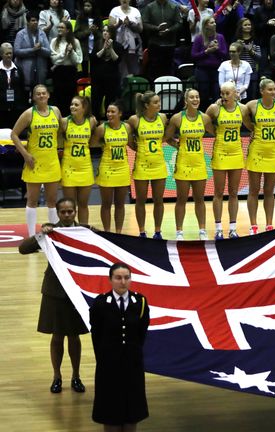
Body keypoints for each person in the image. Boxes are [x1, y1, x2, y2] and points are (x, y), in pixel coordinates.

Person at [19, 197, 88, 394]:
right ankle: (56, 376)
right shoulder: (50, 233)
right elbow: (23, 249)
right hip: (55, 291)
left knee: (74, 337)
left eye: (70, 211)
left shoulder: (84, 232)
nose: (67, 215)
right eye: (63, 212)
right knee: (57, 336)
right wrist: (40, 234)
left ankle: (76, 376)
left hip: (76, 291)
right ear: (57, 213)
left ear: (75, 212)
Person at [90, 262, 150, 430]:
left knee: (132, 413)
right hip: (108, 366)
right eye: (118, 278)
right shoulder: (101, 303)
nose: (123, 282)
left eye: (126, 278)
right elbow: (97, 335)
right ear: (110, 280)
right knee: (110, 413)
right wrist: (105, 358)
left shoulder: (140, 302)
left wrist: (132, 354)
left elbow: (141, 333)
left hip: (133, 365)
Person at [165, 88, 216, 240]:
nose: (195, 100)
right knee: (181, 199)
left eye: (197, 97)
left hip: (199, 162)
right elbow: (167, 138)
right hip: (183, 163)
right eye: (192, 97)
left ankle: (202, 230)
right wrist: (178, 146)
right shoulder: (177, 118)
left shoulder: (205, 118)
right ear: (186, 101)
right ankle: (179, 231)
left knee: (200, 199)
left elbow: (216, 133)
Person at [12, 84, 62, 236]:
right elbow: (14, 135)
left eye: (44, 93)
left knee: (52, 201)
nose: (41, 96)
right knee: (32, 201)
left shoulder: (55, 111)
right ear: (34, 97)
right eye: (38, 94)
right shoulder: (29, 114)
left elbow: (61, 131)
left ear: (48, 95)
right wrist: (25, 155)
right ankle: (32, 236)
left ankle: (52, 235)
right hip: (34, 162)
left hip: (52, 161)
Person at [206, 81, 253, 239]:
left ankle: (233, 228)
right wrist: (215, 133)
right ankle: (218, 228)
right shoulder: (215, 108)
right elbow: (204, 122)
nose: (224, 96)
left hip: (236, 154)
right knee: (218, 193)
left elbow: (250, 125)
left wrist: (255, 132)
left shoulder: (242, 109)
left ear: (235, 94)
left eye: (227, 93)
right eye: (222, 93)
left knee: (233, 193)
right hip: (220, 153)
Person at [244, 78, 275, 233]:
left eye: (274, 89)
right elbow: (240, 113)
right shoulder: (252, 105)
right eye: (270, 89)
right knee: (254, 190)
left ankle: (269, 224)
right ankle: (253, 225)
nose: (273, 92)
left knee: (269, 191)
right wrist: (251, 128)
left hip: (273, 151)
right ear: (262, 91)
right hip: (257, 150)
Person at [127, 91, 168, 239]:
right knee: (140, 200)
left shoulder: (162, 118)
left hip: (159, 163)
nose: (159, 104)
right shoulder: (135, 120)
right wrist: (136, 148)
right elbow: (128, 138)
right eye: (155, 102)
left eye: (159, 102)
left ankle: (158, 232)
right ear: (146, 105)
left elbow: (165, 137)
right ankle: (142, 232)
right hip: (142, 164)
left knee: (159, 200)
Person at [91, 101, 132, 233]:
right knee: (106, 204)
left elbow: (131, 143)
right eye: (108, 112)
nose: (109, 114)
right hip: (107, 168)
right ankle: (107, 232)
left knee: (120, 204)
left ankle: (118, 232)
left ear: (120, 113)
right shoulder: (102, 128)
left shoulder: (126, 127)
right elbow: (92, 143)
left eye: (113, 112)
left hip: (122, 168)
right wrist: (103, 145)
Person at [59, 95, 97, 225]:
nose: (72, 107)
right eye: (72, 104)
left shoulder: (91, 121)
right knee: (69, 206)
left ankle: (84, 231)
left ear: (84, 108)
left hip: (85, 167)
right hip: (69, 168)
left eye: (76, 105)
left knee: (83, 204)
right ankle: (70, 232)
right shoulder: (64, 122)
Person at [192, 16, 228, 108]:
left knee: (216, 93)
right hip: (202, 70)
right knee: (203, 93)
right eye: (211, 22)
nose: (214, 24)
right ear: (206, 25)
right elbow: (193, 55)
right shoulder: (199, 38)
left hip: (216, 70)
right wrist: (206, 52)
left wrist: (217, 49)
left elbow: (224, 54)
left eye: (214, 22)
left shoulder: (220, 37)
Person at [142, 0, 182, 81]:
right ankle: (154, 90)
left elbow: (179, 23)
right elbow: (144, 23)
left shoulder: (174, 7)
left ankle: (169, 89)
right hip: (155, 44)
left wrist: (169, 30)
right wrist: (156, 28)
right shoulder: (150, 7)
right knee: (154, 69)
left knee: (169, 69)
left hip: (170, 44)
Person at [90, 26, 123, 120]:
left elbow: (117, 60)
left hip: (112, 79)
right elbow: (93, 58)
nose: (105, 33)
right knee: (96, 102)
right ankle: (96, 121)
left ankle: (109, 121)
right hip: (98, 79)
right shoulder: (97, 44)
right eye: (103, 31)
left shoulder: (118, 45)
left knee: (110, 101)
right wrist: (104, 49)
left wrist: (111, 48)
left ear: (112, 33)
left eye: (107, 31)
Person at [49, 20, 81, 117]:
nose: (59, 29)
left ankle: (70, 117)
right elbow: (53, 59)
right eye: (58, 27)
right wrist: (64, 54)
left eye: (62, 27)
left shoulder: (75, 41)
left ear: (68, 30)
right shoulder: (54, 41)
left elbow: (78, 60)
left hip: (70, 71)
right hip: (59, 72)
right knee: (58, 96)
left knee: (70, 96)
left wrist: (71, 53)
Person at [13, 10, 50, 94]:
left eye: (37, 20)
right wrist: (32, 50)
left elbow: (48, 52)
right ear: (28, 22)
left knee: (40, 94)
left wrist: (40, 49)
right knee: (25, 95)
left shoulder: (42, 33)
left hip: (40, 68)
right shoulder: (20, 34)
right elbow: (16, 51)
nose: (35, 22)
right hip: (25, 68)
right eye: (33, 20)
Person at [108, 0, 142, 82]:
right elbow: (110, 28)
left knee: (134, 69)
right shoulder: (114, 11)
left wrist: (130, 23)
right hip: (119, 44)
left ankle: (134, 89)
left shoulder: (136, 11)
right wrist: (118, 24)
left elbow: (140, 29)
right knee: (121, 69)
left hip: (134, 45)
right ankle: (122, 90)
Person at [233, 17, 261, 100]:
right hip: (239, 71)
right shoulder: (235, 40)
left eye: (249, 25)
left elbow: (259, 58)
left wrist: (251, 51)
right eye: (245, 25)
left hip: (252, 70)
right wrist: (238, 48)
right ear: (241, 27)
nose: (248, 26)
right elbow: (232, 56)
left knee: (252, 96)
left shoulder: (255, 39)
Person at [0, 42, 26, 128]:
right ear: (1, 54)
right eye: (6, 53)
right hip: (1, 108)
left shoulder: (18, 69)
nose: (9, 55)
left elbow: (22, 87)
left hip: (16, 108)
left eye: (10, 53)